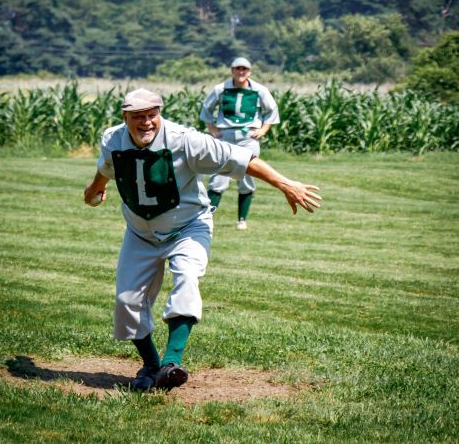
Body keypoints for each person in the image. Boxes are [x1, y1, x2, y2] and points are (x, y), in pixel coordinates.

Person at [84, 87, 321, 392]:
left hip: (188, 227)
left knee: (187, 277)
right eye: (138, 117)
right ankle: (151, 365)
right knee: (127, 301)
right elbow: (106, 168)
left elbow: (242, 159)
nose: (146, 122)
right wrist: (94, 190)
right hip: (140, 232)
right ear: (125, 117)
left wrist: (285, 183)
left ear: (160, 113)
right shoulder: (112, 138)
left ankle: (172, 363)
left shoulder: (186, 140)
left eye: (152, 115)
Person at [199, 57, 280, 230]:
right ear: (232, 70)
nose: (241, 72)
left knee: (248, 176)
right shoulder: (221, 89)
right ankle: (207, 217)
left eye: (244, 69)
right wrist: (212, 128)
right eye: (237, 69)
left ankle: (242, 219)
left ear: (249, 71)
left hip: (248, 136)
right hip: (225, 136)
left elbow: (272, 110)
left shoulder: (259, 90)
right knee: (218, 176)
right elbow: (206, 109)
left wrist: (264, 129)